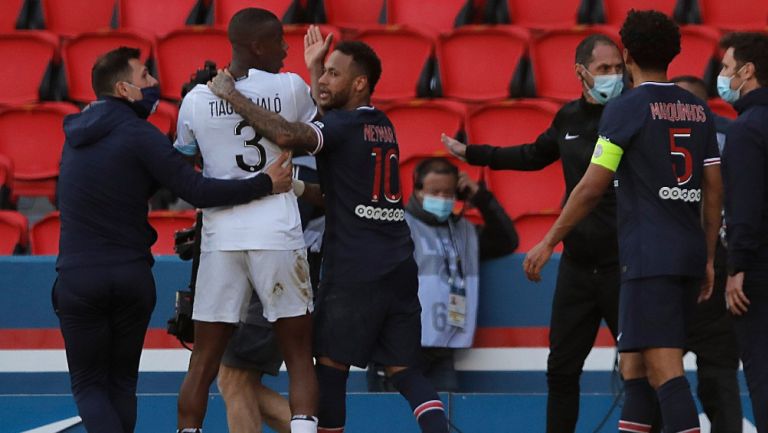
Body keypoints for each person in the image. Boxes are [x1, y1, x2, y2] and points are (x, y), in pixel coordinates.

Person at [207, 26, 450, 433]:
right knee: (406, 371)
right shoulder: (381, 125)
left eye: (333, 74)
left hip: (354, 270)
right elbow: (343, 190)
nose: (322, 81)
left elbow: (288, 134)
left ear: (360, 83)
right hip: (398, 264)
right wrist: (298, 185)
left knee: (330, 370)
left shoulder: (344, 127)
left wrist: (231, 95)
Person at [52, 46, 293, 433]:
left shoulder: (74, 136)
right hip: (131, 276)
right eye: (145, 76)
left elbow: (153, 175)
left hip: (79, 277)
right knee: (122, 384)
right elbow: (192, 188)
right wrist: (264, 183)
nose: (153, 84)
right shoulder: (139, 135)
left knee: (89, 386)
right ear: (123, 89)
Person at [523, 10, 722, 433]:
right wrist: (707, 256)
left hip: (648, 257)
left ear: (627, 53)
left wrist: (549, 241)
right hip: (685, 252)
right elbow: (713, 188)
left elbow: (593, 186)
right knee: (633, 368)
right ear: (673, 53)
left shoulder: (625, 109)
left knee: (665, 370)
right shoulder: (698, 109)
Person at [443, 34, 624, 433]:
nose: (614, 76)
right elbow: (532, 155)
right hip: (578, 267)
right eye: (603, 69)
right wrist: (474, 154)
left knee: (640, 369)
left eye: (618, 68)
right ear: (581, 72)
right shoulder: (569, 119)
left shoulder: (629, 116)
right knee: (560, 371)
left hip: (624, 265)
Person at [173, 8, 319, 433]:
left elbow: (183, 163)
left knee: (203, 361)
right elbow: (316, 133)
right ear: (258, 46)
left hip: (221, 236)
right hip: (277, 232)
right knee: (298, 354)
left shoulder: (196, 98)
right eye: (279, 41)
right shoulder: (291, 87)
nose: (287, 48)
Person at [367, 157, 518, 392]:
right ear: (417, 190)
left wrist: (480, 197)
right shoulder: (397, 227)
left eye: (448, 193)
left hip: (441, 351)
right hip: (398, 351)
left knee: (443, 421)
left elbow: (507, 241)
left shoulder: (465, 232)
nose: (442, 198)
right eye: (434, 191)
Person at [671, 74, 743, 433]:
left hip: (715, 268)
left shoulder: (735, 138)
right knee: (656, 377)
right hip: (669, 271)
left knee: (717, 375)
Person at [718, 31, 768, 433]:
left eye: (726, 67)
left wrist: (737, 268)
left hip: (761, 273)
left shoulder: (746, 130)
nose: (722, 75)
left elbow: (745, 210)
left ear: (747, 72)